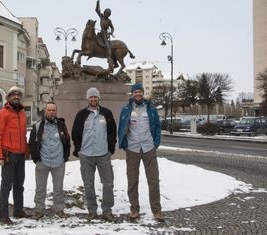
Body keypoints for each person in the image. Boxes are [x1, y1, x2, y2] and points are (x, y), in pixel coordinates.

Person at [118, 83, 165, 222]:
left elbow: (157, 126)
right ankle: (134, 209)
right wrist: (124, 144)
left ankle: (157, 211)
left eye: (140, 91)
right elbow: (121, 127)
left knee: (153, 180)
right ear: (132, 94)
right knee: (132, 181)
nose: (138, 94)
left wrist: (156, 143)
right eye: (135, 92)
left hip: (148, 148)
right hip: (132, 149)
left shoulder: (150, 108)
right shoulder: (126, 109)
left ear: (143, 93)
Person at [71, 87, 117, 222]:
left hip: (103, 154)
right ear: (87, 99)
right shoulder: (81, 115)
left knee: (108, 183)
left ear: (98, 98)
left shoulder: (106, 114)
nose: (93, 99)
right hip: (86, 155)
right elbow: (75, 133)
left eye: (95, 97)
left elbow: (112, 132)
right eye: (91, 97)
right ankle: (92, 210)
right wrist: (79, 149)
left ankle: (107, 211)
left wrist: (110, 149)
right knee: (88, 184)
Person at [0, 86, 30, 225]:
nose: (16, 96)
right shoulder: (3, 113)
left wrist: (26, 150)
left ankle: (18, 211)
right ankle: (3, 216)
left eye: (18, 94)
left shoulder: (22, 113)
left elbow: (23, 134)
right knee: (6, 186)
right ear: (9, 97)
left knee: (19, 185)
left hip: (20, 155)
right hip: (9, 155)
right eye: (13, 94)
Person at [29, 102, 71, 220]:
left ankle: (59, 209)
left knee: (58, 188)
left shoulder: (62, 125)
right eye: (49, 110)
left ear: (56, 111)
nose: (51, 112)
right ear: (45, 111)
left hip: (58, 161)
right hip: (43, 161)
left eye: (53, 110)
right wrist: (36, 159)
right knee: (40, 188)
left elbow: (67, 142)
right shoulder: (38, 126)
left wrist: (65, 157)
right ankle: (39, 210)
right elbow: (32, 143)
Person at [95, 0, 115, 69]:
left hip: (105, 35)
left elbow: (112, 28)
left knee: (107, 45)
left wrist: (111, 32)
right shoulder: (101, 17)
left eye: (108, 14)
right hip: (100, 33)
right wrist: (97, 4)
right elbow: (96, 10)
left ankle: (109, 56)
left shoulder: (109, 21)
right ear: (105, 12)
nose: (107, 14)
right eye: (106, 13)